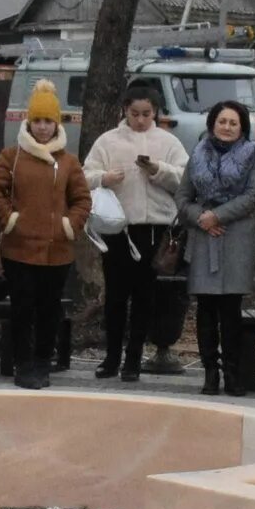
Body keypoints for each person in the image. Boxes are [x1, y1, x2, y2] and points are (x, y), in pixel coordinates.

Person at [0, 81, 90, 390]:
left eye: (48, 121)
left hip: (57, 252)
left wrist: (68, 225)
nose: (43, 127)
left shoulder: (69, 162)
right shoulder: (12, 156)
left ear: (56, 123)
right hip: (19, 250)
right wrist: (10, 219)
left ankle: (43, 362)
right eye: (38, 120)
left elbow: (82, 200)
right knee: (22, 309)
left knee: (50, 310)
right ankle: (22, 363)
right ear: (28, 122)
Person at [82, 85, 187, 381]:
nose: (140, 120)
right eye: (134, 114)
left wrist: (157, 169)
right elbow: (84, 175)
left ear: (155, 113)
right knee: (115, 297)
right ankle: (112, 357)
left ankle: (134, 360)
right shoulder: (108, 141)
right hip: (117, 228)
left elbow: (184, 179)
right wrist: (104, 177)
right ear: (125, 111)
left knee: (144, 297)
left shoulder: (168, 142)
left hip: (153, 229)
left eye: (147, 114)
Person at [181, 100, 255, 396]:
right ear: (212, 124)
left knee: (231, 309)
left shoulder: (251, 154)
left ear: (241, 127)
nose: (227, 127)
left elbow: (254, 195)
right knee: (205, 308)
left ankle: (232, 372)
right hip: (204, 236)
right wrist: (202, 218)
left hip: (235, 235)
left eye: (233, 122)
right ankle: (210, 373)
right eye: (222, 121)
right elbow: (183, 198)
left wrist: (220, 215)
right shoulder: (197, 153)